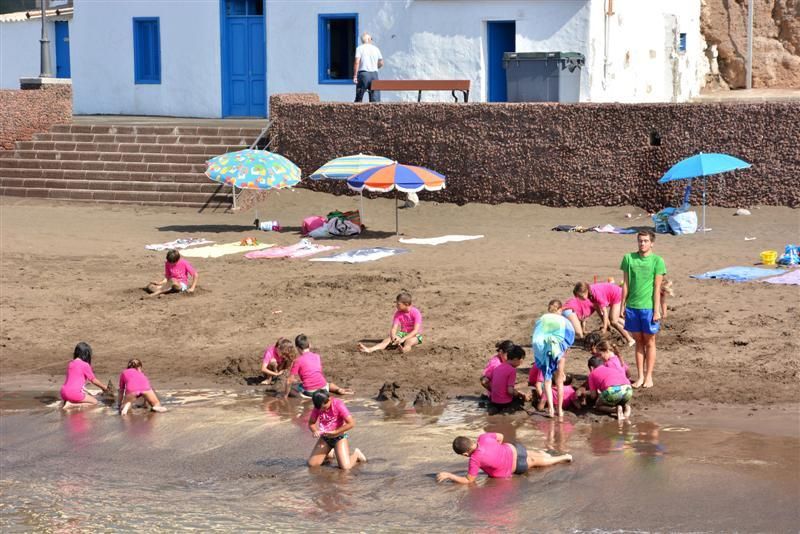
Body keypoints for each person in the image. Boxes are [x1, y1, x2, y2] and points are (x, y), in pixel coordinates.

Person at [620, 229, 667, 388]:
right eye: (640, 240)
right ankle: (640, 376)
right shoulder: (628, 258)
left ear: (651, 243)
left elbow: (657, 287)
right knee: (638, 341)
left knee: (650, 342)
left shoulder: (657, 261)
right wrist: (622, 305)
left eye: (646, 241)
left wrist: (657, 310)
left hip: (648, 308)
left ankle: (649, 377)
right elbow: (625, 284)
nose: (642, 243)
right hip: (632, 307)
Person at [436, 432, 572, 484]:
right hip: (514, 449)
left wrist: (450, 475)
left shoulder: (474, 460)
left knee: (535, 462)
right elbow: (500, 436)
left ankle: (563, 457)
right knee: (530, 454)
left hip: (515, 467)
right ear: (470, 440)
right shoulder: (483, 438)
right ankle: (545, 453)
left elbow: (469, 480)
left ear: (465, 454)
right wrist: (498, 449)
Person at [532, 300, 576, 419]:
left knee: (547, 379)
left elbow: (537, 337)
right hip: (558, 350)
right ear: (560, 309)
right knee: (559, 380)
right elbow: (570, 334)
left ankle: (551, 409)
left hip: (545, 349)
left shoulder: (542, 319)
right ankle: (560, 410)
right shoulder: (563, 320)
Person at [307, 391, 367, 470]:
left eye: (324, 408)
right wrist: (315, 431)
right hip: (325, 438)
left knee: (345, 468)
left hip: (339, 437)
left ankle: (356, 455)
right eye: (320, 408)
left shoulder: (338, 405)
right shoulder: (318, 407)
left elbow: (351, 423)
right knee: (312, 465)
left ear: (329, 399)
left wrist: (335, 432)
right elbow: (311, 423)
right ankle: (329, 453)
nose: (322, 410)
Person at [285, 334, 352, 398]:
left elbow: (289, 381)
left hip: (310, 391)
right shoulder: (317, 356)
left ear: (297, 348)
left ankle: (303, 398)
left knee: (292, 388)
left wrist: (285, 395)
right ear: (309, 345)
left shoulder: (298, 360)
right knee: (327, 384)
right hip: (323, 388)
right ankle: (338, 389)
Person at [358, 291, 422, 354]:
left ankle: (403, 350)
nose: (396, 305)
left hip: (415, 335)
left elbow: (415, 330)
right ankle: (369, 349)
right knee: (387, 340)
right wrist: (393, 337)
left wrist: (403, 339)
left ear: (407, 304)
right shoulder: (398, 313)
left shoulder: (416, 312)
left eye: (398, 304)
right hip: (403, 333)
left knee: (408, 342)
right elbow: (394, 328)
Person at [60, 342, 111, 409]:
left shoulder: (71, 363)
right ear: (87, 354)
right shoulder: (85, 365)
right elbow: (93, 380)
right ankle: (72, 405)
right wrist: (104, 387)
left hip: (63, 392)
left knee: (84, 396)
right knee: (94, 402)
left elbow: (73, 380)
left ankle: (68, 401)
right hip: (73, 393)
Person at [586, 281, 635, 346]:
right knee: (613, 319)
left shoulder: (596, 294)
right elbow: (598, 309)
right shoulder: (590, 294)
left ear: (585, 292)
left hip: (618, 295)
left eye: (580, 296)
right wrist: (605, 323)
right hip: (614, 294)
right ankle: (633, 328)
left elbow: (604, 312)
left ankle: (630, 339)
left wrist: (605, 327)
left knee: (613, 321)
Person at [586, 352, 633, 420]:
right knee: (617, 399)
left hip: (613, 391)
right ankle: (626, 407)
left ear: (591, 367)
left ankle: (615, 410)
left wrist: (589, 394)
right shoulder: (610, 369)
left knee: (598, 406)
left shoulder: (592, 374)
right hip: (628, 389)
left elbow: (593, 396)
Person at [488, 345, 529, 414]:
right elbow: (510, 391)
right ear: (516, 359)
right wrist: (520, 395)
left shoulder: (498, 367)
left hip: (494, 401)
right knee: (521, 401)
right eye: (521, 360)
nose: (521, 363)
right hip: (505, 402)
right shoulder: (512, 370)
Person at [353, 32, 383, 103]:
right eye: (371, 39)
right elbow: (381, 63)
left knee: (359, 98)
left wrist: (355, 76)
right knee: (375, 100)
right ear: (369, 39)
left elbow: (357, 62)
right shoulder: (376, 49)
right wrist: (375, 67)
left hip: (363, 74)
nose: (372, 40)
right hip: (374, 74)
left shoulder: (359, 48)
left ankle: (357, 113)